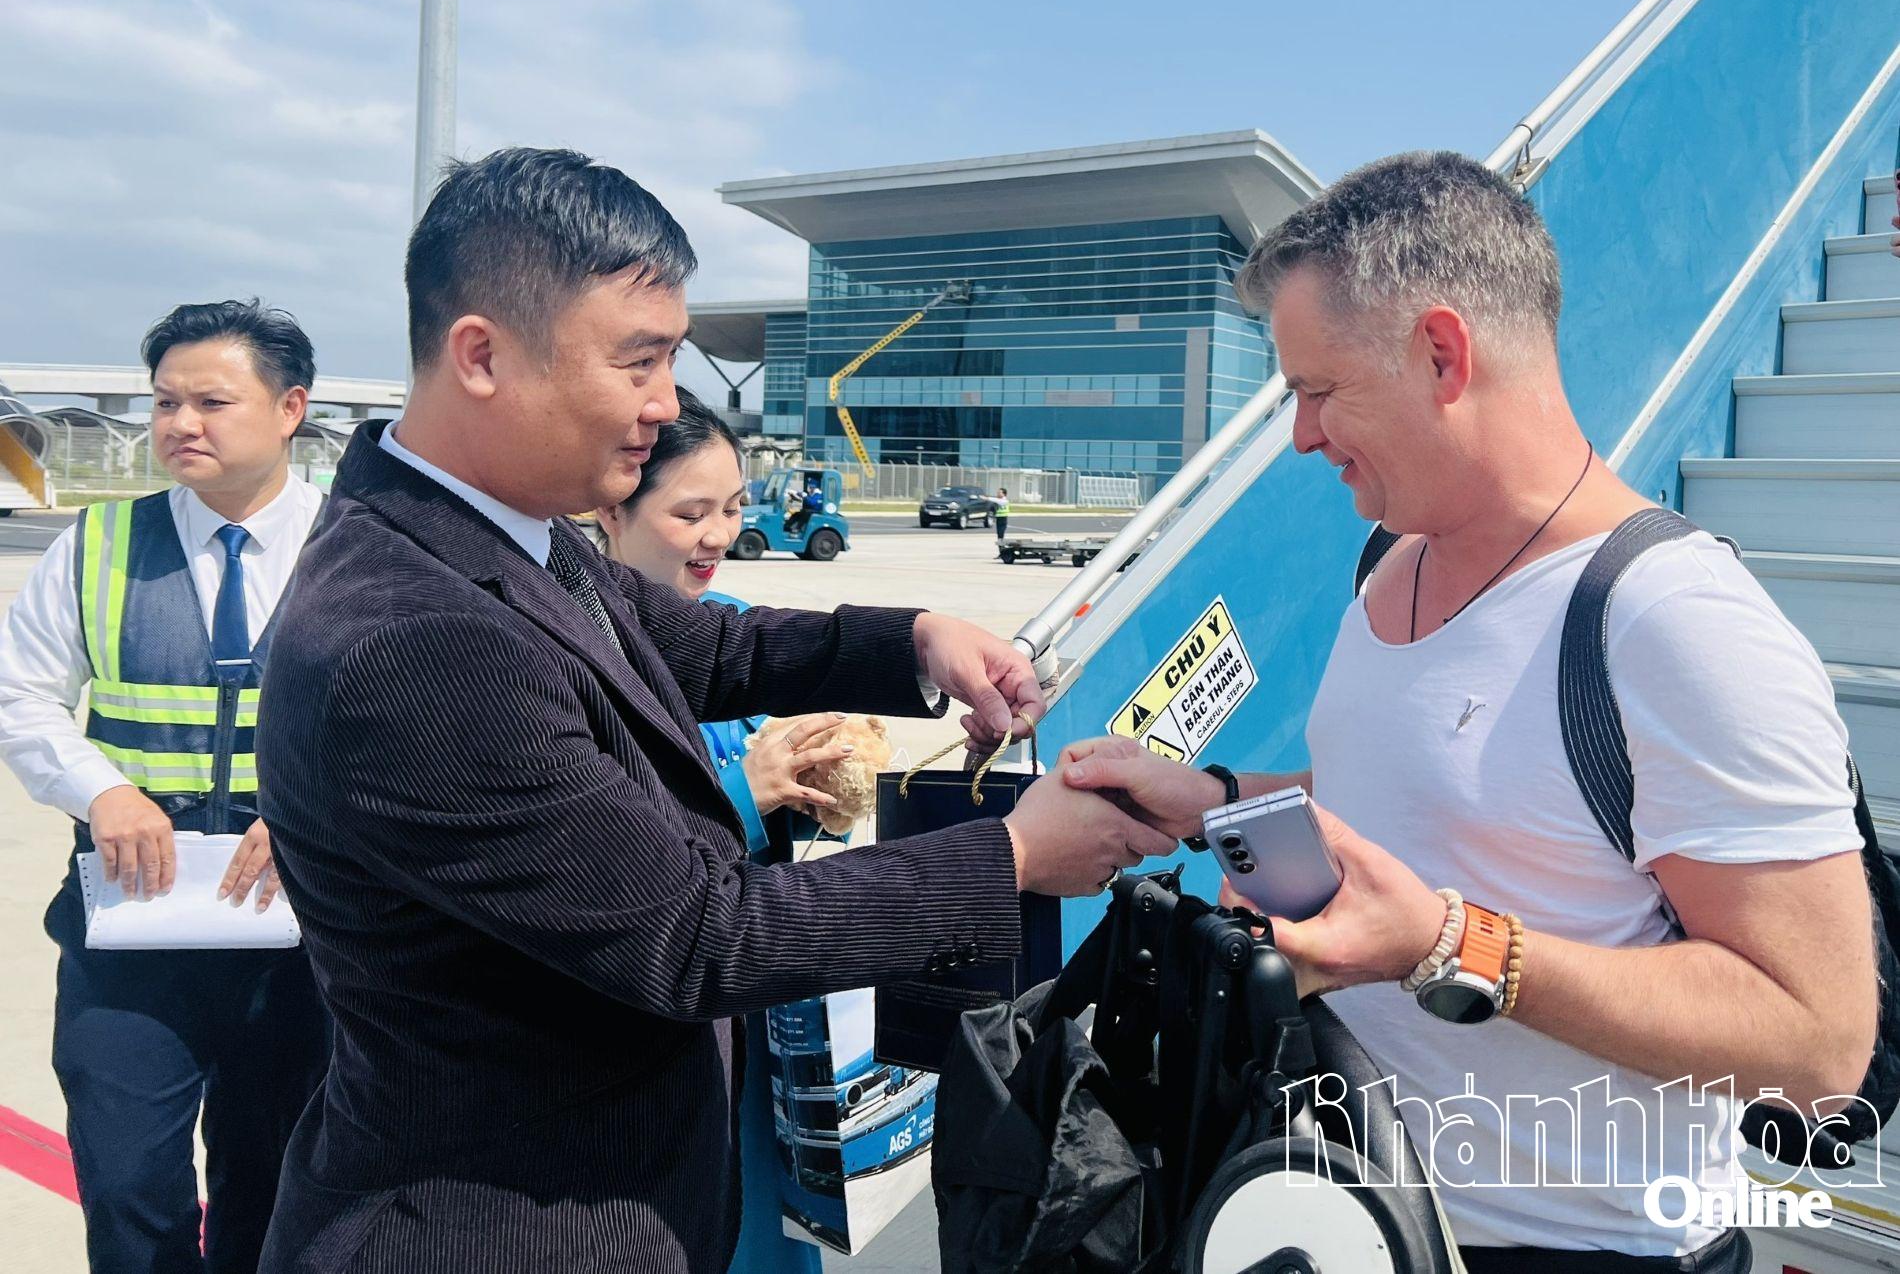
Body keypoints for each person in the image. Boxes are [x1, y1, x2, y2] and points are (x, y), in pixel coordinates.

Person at [253, 146, 1172, 1274]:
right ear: (482, 355)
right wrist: (1011, 857)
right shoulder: (415, 636)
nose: (664, 404)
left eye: (673, 359)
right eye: (637, 361)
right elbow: (698, 936)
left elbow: (712, 646)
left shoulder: (508, 534)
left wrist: (916, 641)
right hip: (506, 1231)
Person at [1062, 152, 1872, 1271]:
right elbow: (1430, 797)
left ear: (1442, 353)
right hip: (1352, 1212)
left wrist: (1451, 946)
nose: (1302, 434)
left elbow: (1816, 1045)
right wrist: (1212, 798)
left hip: (1588, 1253)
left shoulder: (1675, 620)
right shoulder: (1387, 560)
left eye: (1319, 390)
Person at [0, 300, 332, 1273]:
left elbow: (423, 716)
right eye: (164, 402)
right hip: (135, 928)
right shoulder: (97, 544)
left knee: (275, 1187)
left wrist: (321, 816)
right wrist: (99, 789)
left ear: (290, 409)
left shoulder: (359, 547)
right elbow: (21, 694)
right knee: (126, 1182)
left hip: (302, 934)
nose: (181, 422)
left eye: (211, 401)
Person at [594, 388, 842, 1274]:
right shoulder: (572, 655)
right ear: (611, 507)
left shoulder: (734, 628)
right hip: (655, 1023)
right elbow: (604, 862)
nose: (717, 535)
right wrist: (744, 791)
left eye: (732, 509)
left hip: (760, 1004)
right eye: (690, 512)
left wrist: (821, 787)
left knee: (772, 1225)